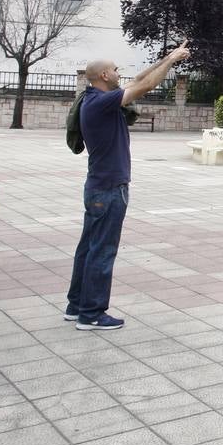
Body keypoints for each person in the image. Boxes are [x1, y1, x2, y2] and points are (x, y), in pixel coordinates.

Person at [65, 42, 190, 330]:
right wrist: (171, 63)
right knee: (102, 251)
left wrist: (166, 58)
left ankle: (76, 305)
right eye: (115, 69)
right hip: (109, 188)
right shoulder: (101, 102)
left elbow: (136, 80)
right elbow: (144, 86)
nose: (120, 73)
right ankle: (92, 313)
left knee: (88, 247)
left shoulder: (92, 98)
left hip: (98, 186)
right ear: (104, 75)